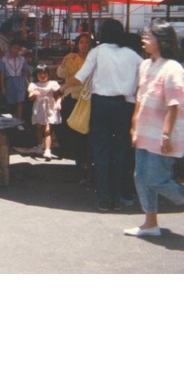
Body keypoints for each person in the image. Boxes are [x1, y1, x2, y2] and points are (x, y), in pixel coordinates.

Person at [64, 18, 143, 212]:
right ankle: (118, 197)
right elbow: (145, 77)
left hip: (101, 105)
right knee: (120, 152)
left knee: (101, 151)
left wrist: (63, 86)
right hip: (124, 106)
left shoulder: (97, 52)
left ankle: (104, 198)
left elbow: (80, 77)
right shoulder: (132, 55)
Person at [125, 20, 184, 237]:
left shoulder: (172, 68)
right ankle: (150, 223)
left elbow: (174, 104)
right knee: (141, 176)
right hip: (144, 131)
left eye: (148, 36)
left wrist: (166, 134)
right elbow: (140, 98)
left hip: (163, 133)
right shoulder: (145, 65)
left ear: (161, 41)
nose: (143, 39)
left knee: (156, 179)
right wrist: (134, 127)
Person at [56, 33, 93, 172]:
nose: (84, 45)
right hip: (73, 97)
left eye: (87, 42)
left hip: (87, 98)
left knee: (84, 130)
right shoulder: (72, 58)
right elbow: (61, 74)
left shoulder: (93, 59)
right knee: (73, 128)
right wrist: (65, 60)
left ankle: (83, 158)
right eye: (82, 42)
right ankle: (77, 157)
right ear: (77, 45)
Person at [28, 64, 62, 159]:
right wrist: (33, 94)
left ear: (48, 74)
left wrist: (58, 103)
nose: (42, 76)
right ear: (36, 75)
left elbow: (59, 95)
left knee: (47, 130)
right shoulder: (33, 85)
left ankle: (47, 150)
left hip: (49, 108)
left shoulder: (53, 84)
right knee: (39, 128)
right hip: (39, 108)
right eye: (40, 74)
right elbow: (30, 98)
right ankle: (39, 146)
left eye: (44, 73)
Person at [0, 39, 29, 130]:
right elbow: (2, 73)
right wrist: (3, 86)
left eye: (18, 49)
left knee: (20, 101)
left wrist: (28, 83)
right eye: (14, 48)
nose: (16, 50)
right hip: (10, 81)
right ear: (11, 48)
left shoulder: (22, 59)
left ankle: (19, 121)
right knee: (11, 102)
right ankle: (12, 120)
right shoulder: (5, 59)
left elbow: (26, 71)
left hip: (20, 81)